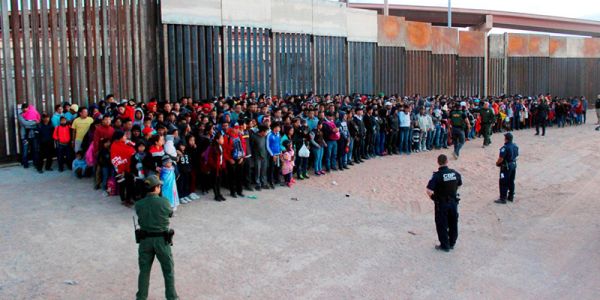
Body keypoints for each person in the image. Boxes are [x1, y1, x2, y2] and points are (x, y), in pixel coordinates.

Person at [134, 175, 178, 300]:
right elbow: (170, 213)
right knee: (168, 271)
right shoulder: (164, 201)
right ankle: (172, 297)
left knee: (144, 271)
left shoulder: (139, 204)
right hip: (162, 241)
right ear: (157, 187)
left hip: (145, 241)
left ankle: (141, 297)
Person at [426, 154, 462, 252]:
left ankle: (445, 245)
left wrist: (433, 198)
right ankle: (452, 243)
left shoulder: (437, 176)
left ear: (438, 162)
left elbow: (429, 190)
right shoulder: (454, 173)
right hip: (453, 202)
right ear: (447, 161)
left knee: (441, 224)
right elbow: (459, 184)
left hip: (441, 203)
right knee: (453, 223)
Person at [495, 133, 519, 204]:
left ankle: (503, 198)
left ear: (506, 139)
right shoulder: (515, 146)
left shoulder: (505, 148)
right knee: (511, 180)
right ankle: (511, 196)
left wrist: (497, 163)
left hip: (506, 166)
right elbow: (517, 154)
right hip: (513, 164)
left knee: (503, 182)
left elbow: (501, 158)